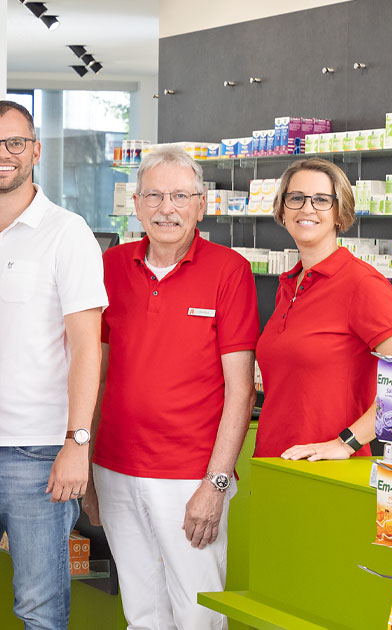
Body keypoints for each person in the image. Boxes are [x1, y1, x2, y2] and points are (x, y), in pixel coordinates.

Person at [0, 101, 107, 630]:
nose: (2, 154)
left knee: (39, 610)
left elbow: (87, 345)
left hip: (37, 452)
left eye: (14, 143)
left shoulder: (67, 231)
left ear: (34, 150)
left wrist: (77, 444)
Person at [90, 147, 258, 630]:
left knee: (198, 611)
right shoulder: (111, 266)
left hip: (189, 475)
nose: (167, 208)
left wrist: (216, 483)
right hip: (115, 467)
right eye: (155, 196)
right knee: (141, 610)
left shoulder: (229, 271)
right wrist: (88, 466)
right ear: (137, 205)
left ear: (200, 204)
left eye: (180, 195)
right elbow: (96, 377)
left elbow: (240, 390)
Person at [256, 158, 392, 461]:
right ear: (282, 209)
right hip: (274, 461)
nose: (307, 208)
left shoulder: (362, 284)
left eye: (321, 200)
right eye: (296, 198)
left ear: (339, 214)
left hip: (328, 472)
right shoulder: (289, 285)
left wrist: (346, 443)